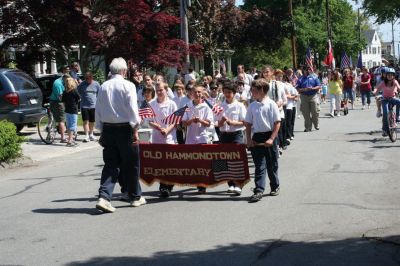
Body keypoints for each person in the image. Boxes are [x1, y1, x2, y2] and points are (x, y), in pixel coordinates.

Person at [95, 57, 145, 213]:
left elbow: (99, 109)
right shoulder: (128, 85)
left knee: (111, 164)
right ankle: (135, 197)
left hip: (108, 129)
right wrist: (135, 129)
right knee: (131, 164)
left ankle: (104, 197)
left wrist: (101, 130)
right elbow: (132, 109)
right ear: (124, 71)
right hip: (125, 129)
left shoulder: (103, 86)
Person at [245, 78, 281, 203]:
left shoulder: (271, 104)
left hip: (269, 136)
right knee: (259, 166)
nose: (251, 92)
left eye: (254, 90)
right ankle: (258, 190)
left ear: (261, 91)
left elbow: (277, 123)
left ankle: (275, 186)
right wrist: (249, 139)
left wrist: (271, 138)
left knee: (272, 165)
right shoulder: (252, 105)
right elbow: (248, 124)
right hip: (257, 138)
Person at [148, 82, 178, 198]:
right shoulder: (152, 104)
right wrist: (156, 126)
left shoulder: (172, 104)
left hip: (169, 138)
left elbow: (175, 121)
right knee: (160, 164)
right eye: (157, 90)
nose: (159, 92)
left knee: (169, 163)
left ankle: (168, 186)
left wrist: (167, 130)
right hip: (157, 137)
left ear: (166, 90)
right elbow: (149, 120)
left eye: (161, 90)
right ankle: (163, 187)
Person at [182, 85, 213, 193]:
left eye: (199, 92)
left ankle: (202, 183)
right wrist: (191, 121)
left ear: (202, 93)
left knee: (202, 161)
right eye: (195, 92)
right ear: (192, 93)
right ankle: (197, 180)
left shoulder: (206, 107)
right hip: (190, 137)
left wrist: (200, 120)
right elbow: (184, 122)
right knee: (193, 161)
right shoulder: (187, 106)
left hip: (202, 137)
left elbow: (209, 123)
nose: (197, 94)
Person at [217, 81, 247, 195]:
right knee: (226, 160)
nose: (227, 94)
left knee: (237, 159)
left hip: (236, 134)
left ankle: (239, 184)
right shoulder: (220, 106)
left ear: (234, 93)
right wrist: (222, 121)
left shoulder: (239, 105)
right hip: (224, 135)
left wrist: (233, 122)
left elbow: (244, 122)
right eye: (225, 92)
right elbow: (218, 125)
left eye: (229, 92)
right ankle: (231, 184)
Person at [372, 67, 400, 136]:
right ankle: (385, 129)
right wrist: (374, 92)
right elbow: (377, 89)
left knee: (399, 101)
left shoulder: (395, 82)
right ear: (386, 76)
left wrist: (398, 90)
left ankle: (397, 116)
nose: (389, 76)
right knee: (385, 113)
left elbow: (399, 87)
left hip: (392, 98)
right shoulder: (383, 82)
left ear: (393, 76)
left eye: (391, 75)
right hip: (385, 99)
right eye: (388, 75)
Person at [296, 66, 321, 132]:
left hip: (313, 95)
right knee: (305, 113)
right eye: (306, 70)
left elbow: (319, 86)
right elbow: (297, 88)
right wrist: (303, 89)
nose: (307, 71)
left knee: (315, 111)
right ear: (303, 71)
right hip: (304, 96)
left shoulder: (314, 77)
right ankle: (308, 127)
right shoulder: (300, 79)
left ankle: (316, 124)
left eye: (309, 70)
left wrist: (312, 88)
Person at [77, 72, 101, 142]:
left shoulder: (96, 84)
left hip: (93, 106)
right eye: (86, 79)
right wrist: (81, 98)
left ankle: (91, 134)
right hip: (84, 106)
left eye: (89, 78)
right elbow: (77, 92)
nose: (88, 80)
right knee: (85, 121)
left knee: (92, 121)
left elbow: (99, 94)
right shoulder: (82, 84)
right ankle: (86, 135)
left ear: (92, 78)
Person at [49, 66, 69, 142]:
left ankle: (61, 129)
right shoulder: (58, 83)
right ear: (64, 78)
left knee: (62, 118)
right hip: (57, 102)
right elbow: (60, 97)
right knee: (62, 119)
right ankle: (63, 138)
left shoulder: (64, 81)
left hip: (59, 101)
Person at [62, 77, 81, 146]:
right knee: (73, 125)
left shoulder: (65, 91)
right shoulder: (74, 90)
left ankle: (71, 139)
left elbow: (63, 102)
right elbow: (79, 98)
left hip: (67, 110)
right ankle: (70, 140)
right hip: (73, 110)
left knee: (69, 125)